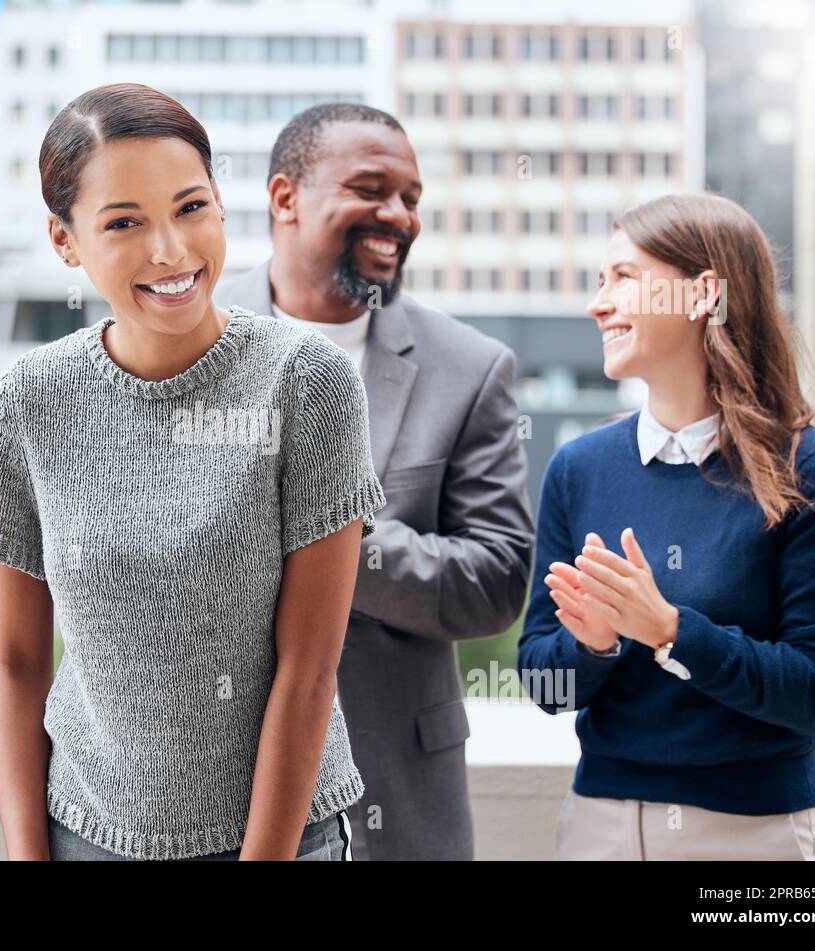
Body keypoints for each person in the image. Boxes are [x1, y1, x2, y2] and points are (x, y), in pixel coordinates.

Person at [0, 83, 385, 861]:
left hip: (282, 842)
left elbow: (309, 666)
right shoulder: (26, 402)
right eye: (124, 222)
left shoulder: (307, 382)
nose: (170, 250)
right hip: (84, 834)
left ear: (222, 205)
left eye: (191, 207)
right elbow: (18, 665)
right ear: (65, 240)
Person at [214, 103, 534, 860]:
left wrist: (328, 542)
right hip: (210, 788)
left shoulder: (471, 367)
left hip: (399, 796)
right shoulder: (192, 337)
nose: (398, 215)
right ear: (285, 197)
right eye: (371, 189)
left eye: (411, 198)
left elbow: (498, 580)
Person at [518, 192, 815, 860]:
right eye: (599, 281)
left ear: (702, 293)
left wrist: (673, 632)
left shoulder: (811, 472)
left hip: (756, 834)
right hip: (599, 826)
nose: (598, 303)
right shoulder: (577, 469)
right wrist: (592, 647)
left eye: (623, 277)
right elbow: (539, 677)